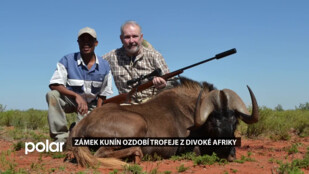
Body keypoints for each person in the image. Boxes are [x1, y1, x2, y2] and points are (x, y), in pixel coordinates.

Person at [46, 27, 113, 143]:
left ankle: (75, 130)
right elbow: (54, 84)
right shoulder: (67, 60)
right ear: (78, 43)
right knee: (52, 95)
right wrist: (77, 96)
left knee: (83, 136)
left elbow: (103, 94)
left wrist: (97, 114)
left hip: (91, 105)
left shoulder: (105, 66)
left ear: (95, 43)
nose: (85, 44)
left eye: (89, 40)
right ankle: (60, 138)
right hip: (71, 101)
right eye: (82, 40)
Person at [103, 21, 172, 103]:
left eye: (135, 36)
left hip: (153, 103)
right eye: (127, 37)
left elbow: (172, 82)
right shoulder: (112, 56)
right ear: (121, 39)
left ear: (141, 37)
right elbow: (93, 65)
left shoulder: (155, 56)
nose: (132, 41)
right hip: (126, 105)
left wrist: (163, 85)